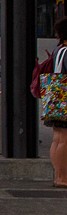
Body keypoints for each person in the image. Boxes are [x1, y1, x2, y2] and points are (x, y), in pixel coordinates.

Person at [46, 19, 67, 187]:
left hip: (56, 99)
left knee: (58, 138)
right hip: (65, 99)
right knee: (65, 139)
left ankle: (58, 176)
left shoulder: (58, 51)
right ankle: (62, 178)